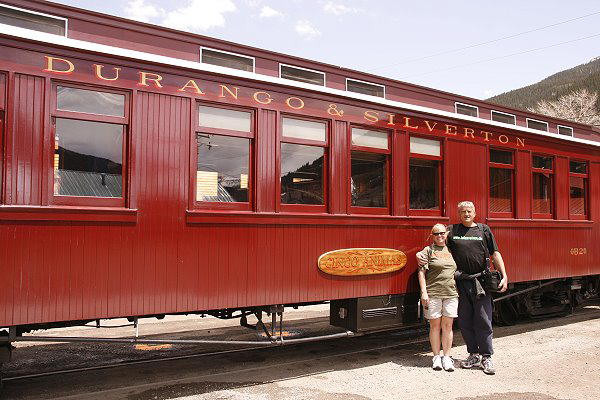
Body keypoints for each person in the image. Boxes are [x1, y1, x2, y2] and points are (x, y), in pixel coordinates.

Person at [417, 201, 508, 375]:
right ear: (459, 214)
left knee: (483, 319)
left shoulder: (483, 230)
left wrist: (504, 274)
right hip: (459, 282)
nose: (466, 214)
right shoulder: (453, 231)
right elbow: (439, 244)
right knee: (465, 321)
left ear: (475, 212)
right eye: (463, 212)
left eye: (469, 211)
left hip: (480, 282)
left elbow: (495, 253)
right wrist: (419, 255)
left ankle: (487, 356)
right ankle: (473, 354)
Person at [418, 223, 458, 371]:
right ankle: (436, 357)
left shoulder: (453, 250)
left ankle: (447, 357)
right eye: (436, 234)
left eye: (442, 233)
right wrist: (424, 292)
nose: (439, 236)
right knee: (434, 326)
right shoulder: (428, 251)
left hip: (451, 293)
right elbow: (421, 272)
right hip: (433, 293)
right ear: (432, 236)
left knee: (448, 326)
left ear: (446, 234)